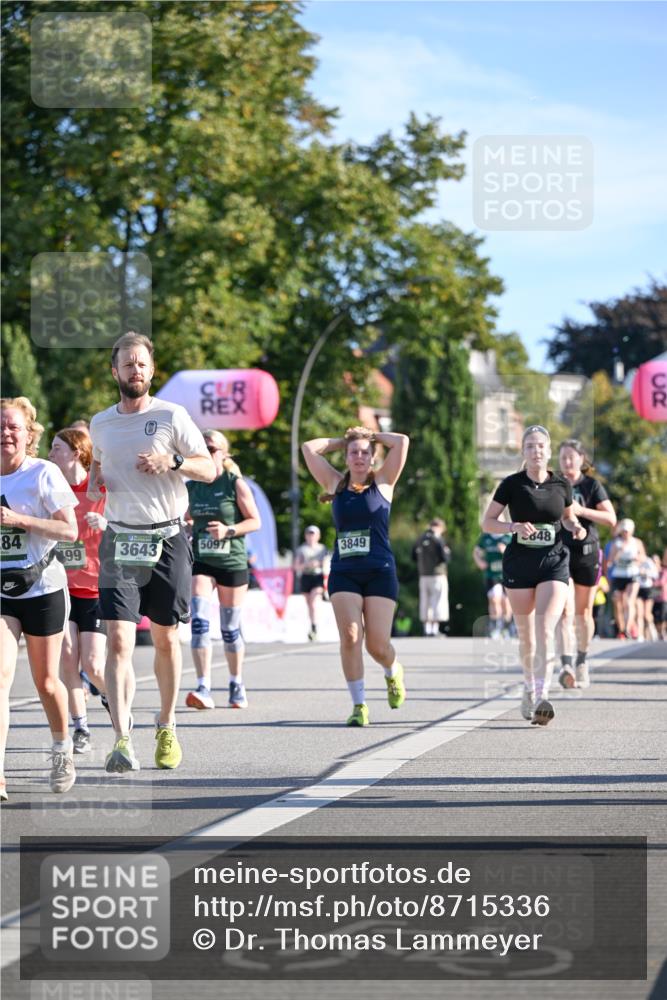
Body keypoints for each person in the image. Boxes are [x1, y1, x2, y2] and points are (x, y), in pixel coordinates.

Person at [89, 332, 215, 773]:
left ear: (151, 370)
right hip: (120, 539)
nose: (135, 370)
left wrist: (173, 463)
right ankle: (122, 738)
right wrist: (94, 481)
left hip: (167, 538)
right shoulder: (100, 422)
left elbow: (209, 466)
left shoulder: (171, 416)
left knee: (165, 637)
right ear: (115, 372)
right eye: (127, 364)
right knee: (119, 639)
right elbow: (99, 461)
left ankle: (166, 723)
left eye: (142, 363)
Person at [302, 426, 409, 727]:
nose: (359, 457)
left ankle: (392, 671)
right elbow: (309, 448)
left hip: (380, 571)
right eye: (354, 453)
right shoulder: (335, 484)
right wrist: (344, 441)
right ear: (347, 458)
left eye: (365, 453)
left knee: (377, 646)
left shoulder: (384, 483)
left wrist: (370, 436)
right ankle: (359, 705)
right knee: (350, 637)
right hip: (345, 573)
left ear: (373, 458)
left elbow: (402, 441)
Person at [481, 425, 586, 726]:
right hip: (519, 565)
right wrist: (512, 527)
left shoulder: (561, 485)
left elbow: (566, 517)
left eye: (540, 446)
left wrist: (575, 527)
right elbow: (488, 523)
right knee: (526, 636)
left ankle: (542, 696)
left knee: (544, 626)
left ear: (548, 451)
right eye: (530, 446)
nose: (536, 451)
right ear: (523, 452)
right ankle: (528, 687)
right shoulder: (512, 484)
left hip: (554, 562)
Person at [1, 397, 79, 800]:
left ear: (28, 434)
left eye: (12, 426)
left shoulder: (42, 473)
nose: (5, 433)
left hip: (43, 588)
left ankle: (62, 748)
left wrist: (19, 521)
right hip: (2, 593)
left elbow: (70, 531)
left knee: (47, 682)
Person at [185, 430, 261, 710]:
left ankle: (236, 681)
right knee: (200, 623)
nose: (207, 452)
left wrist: (229, 530)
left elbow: (255, 521)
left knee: (229, 628)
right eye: (202, 448)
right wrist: (188, 527)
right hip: (202, 561)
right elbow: (186, 518)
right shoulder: (192, 485)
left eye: (212, 448)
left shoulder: (234, 483)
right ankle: (203, 685)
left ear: (224, 454)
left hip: (232, 562)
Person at [48, 427, 109, 752]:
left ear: (75, 452)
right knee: (68, 662)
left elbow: (127, 521)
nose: (49, 454)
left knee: (94, 666)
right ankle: (80, 727)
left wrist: (108, 524)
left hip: (96, 589)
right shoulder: (52, 490)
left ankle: (112, 698)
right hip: (61, 588)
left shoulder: (99, 488)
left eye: (56, 448)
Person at [556, 439, 616, 689]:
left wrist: (581, 511)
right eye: (562, 458)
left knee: (583, 613)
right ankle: (566, 664)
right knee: (565, 611)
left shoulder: (592, 486)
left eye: (571, 457)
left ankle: (582, 660)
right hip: (559, 553)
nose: (567, 462)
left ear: (582, 459)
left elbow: (611, 519)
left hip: (587, 553)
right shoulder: (554, 485)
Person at [607, 519, 645, 640]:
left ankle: (628, 628)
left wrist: (637, 558)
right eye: (624, 531)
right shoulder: (616, 543)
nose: (626, 533)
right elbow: (610, 561)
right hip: (619, 575)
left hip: (632, 574)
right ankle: (622, 629)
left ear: (631, 531)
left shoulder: (637, 542)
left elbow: (643, 557)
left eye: (628, 531)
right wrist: (619, 552)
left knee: (629, 601)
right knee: (618, 604)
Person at [413, 518, 451, 636]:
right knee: (437, 600)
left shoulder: (420, 539)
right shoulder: (438, 539)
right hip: (437, 574)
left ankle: (426, 628)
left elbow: (413, 556)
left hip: (423, 575)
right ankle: (434, 629)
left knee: (425, 601)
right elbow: (445, 558)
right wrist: (447, 551)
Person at [473, 530, 512, 638]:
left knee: (506, 602)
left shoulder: (508, 537)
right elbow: (476, 551)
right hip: (491, 575)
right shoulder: (485, 538)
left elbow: (517, 555)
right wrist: (479, 562)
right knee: (494, 599)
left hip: (506, 574)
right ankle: (496, 626)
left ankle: (507, 627)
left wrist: (505, 551)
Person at [294, 525, 329, 641]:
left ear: (318, 536)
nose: (311, 536)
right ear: (305, 536)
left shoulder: (322, 549)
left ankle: (314, 627)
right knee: (309, 605)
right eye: (309, 534)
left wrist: (319, 564)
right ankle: (313, 625)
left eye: (313, 534)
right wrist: (307, 565)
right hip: (306, 577)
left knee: (314, 602)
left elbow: (326, 564)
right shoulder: (301, 549)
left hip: (318, 577)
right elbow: (296, 566)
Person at [636, 553, 659, 642]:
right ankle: (640, 634)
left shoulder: (648, 562)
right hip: (638, 588)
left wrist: (645, 572)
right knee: (639, 613)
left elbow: (655, 574)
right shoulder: (635, 562)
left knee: (647, 614)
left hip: (648, 589)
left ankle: (652, 630)